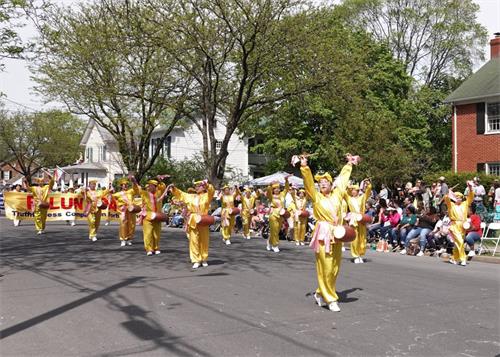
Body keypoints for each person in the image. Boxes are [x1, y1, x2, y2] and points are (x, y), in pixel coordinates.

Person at [298, 153, 359, 312]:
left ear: (332, 184)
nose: (322, 184)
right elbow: (309, 183)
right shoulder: (316, 197)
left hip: (338, 233)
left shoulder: (338, 194)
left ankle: (320, 292)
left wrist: (349, 164)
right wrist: (305, 167)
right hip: (323, 233)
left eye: (326, 182)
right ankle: (331, 299)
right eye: (320, 183)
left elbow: (343, 180)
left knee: (334, 268)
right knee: (325, 266)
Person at [170, 179, 215, 269]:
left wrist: (208, 185)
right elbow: (181, 194)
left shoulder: (207, 196)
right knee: (193, 240)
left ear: (203, 187)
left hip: (203, 219)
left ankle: (204, 258)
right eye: (196, 186)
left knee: (204, 240)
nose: (197, 188)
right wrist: (174, 188)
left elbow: (212, 191)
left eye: (199, 186)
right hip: (193, 220)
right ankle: (196, 260)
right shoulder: (191, 196)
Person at [132, 175, 168, 255]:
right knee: (148, 233)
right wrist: (134, 181)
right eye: (149, 186)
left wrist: (160, 180)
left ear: (155, 187)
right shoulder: (145, 193)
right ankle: (149, 249)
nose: (149, 187)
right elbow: (137, 189)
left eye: (151, 186)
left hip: (157, 216)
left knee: (156, 234)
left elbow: (163, 187)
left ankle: (156, 248)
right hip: (147, 216)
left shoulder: (159, 192)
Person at [443, 181, 474, 266]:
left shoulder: (465, 204)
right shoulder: (451, 205)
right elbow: (446, 198)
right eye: (456, 197)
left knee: (458, 244)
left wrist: (470, 188)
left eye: (460, 197)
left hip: (463, 226)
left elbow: (470, 197)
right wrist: (448, 192)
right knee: (460, 242)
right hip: (454, 225)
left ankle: (454, 258)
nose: (458, 198)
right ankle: (463, 259)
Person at [344, 179, 372, 263]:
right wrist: (347, 184)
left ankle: (360, 254)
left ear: (358, 191)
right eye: (352, 190)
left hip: (361, 218)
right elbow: (343, 192)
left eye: (354, 190)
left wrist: (368, 185)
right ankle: (355, 255)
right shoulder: (349, 198)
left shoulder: (362, 198)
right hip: (354, 219)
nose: (353, 192)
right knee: (355, 237)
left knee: (362, 237)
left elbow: (367, 192)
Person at [111, 177, 139, 247]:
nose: (125, 185)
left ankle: (129, 239)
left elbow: (136, 189)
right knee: (123, 224)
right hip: (123, 210)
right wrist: (110, 192)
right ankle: (123, 239)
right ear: (121, 186)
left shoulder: (131, 191)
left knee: (132, 224)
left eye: (126, 184)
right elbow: (112, 199)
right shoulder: (117, 194)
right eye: (123, 184)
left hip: (131, 209)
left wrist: (134, 182)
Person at [266, 177, 290, 253]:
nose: (276, 190)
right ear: (273, 190)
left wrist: (286, 180)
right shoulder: (271, 197)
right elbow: (268, 191)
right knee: (275, 230)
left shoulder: (282, 195)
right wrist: (270, 184)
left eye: (278, 188)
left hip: (281, 215)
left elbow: (286, 188)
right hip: (273, 214)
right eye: (275, 188)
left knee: (276, 230)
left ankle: (269, 242)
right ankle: (275, 245)